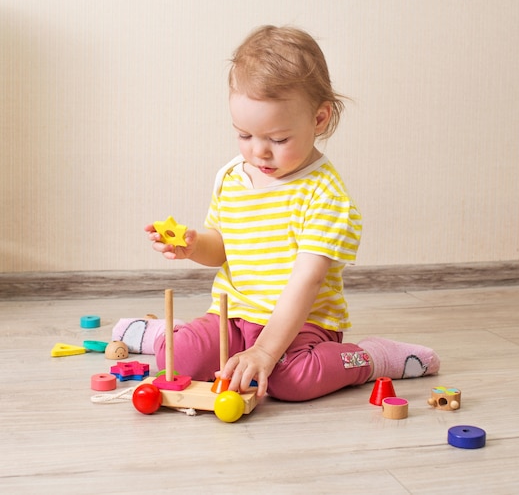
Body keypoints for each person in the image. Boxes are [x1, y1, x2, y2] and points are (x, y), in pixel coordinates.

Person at [118, 25, 440, 402]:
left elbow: (308, 281)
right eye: (244, 134)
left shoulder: (325, 194)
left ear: (319, 119)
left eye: (278, 139)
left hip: (304, 324)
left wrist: (267, 351)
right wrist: (193, 246)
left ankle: (371, 357)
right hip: (236, 315)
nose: (259, 152)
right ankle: (162, 334)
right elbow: (221, 247)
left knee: (292, 380)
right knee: (178, 360)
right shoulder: (232, 176)